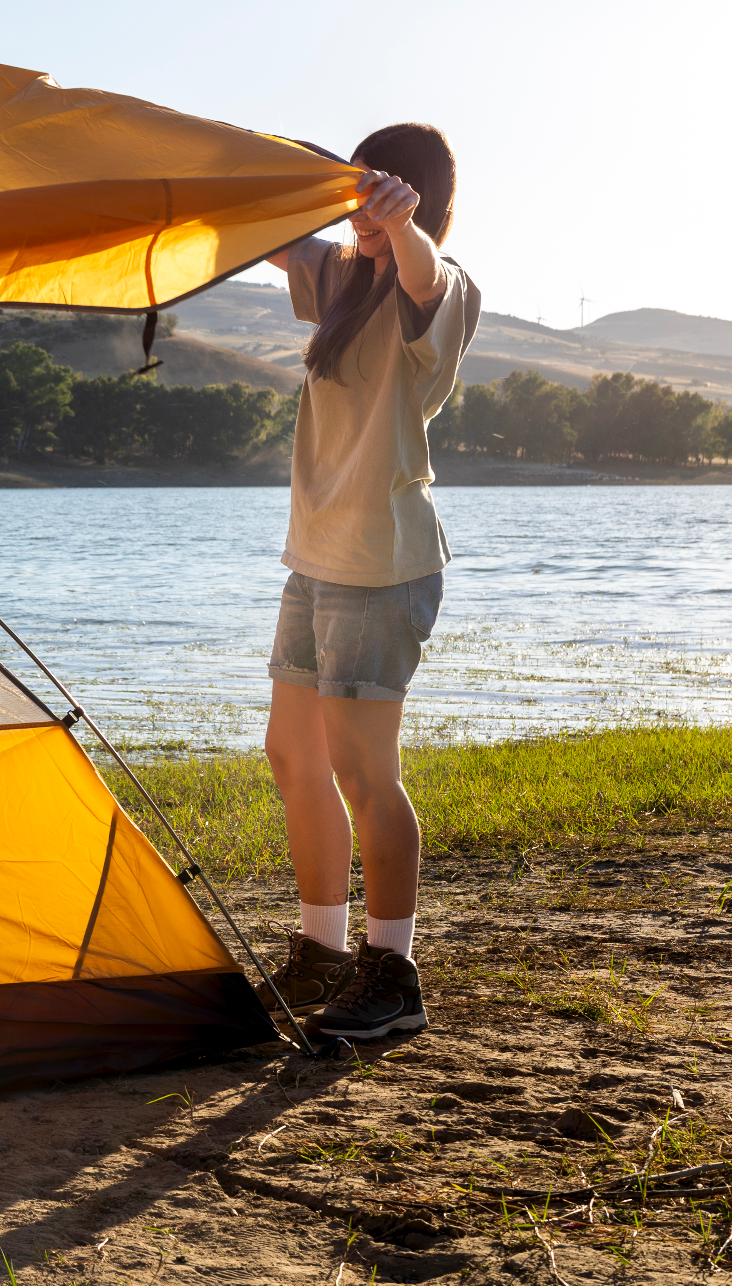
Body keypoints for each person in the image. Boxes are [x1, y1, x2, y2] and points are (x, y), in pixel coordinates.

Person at [252, 123, 481, 1040]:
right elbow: (264, 232)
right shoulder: (342, 276)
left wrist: (406, 222)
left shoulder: (443, 283)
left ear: (422, 198)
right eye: (361, 198)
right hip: (313, 559)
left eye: (388, 196)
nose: (369, 217)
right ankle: (322, 952)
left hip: (383, 565)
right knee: (292, 755)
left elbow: (424, 269)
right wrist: (306, 176)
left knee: (362, 770)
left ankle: (395, 976)